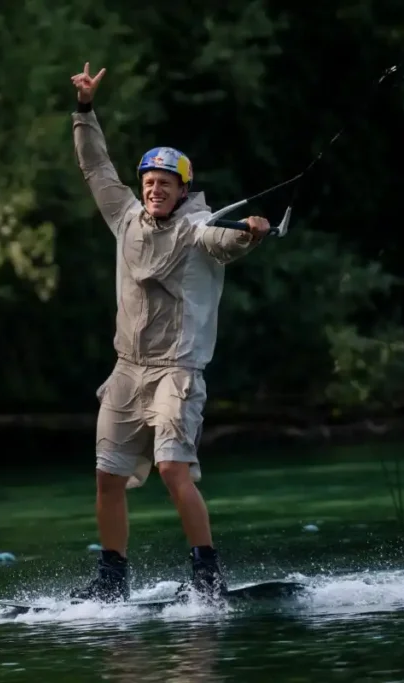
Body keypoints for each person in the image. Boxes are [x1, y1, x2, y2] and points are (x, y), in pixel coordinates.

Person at [68, 62, 272, 604]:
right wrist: (85, 109)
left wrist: (251, 234)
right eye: (149, 183)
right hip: (126, 372)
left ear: (183, 189)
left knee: (171, 468)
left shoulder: (198, 231)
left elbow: (224, 243)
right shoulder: (126, 219)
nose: (155, 190)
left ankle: (207, 575)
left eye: (166, 184)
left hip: (177, 373)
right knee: (107, 478)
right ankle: (112, 579)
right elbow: (96, 170)